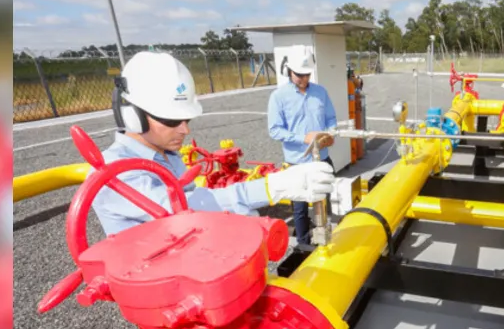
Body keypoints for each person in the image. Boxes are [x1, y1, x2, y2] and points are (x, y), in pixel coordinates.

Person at [91, 51, 334, 236]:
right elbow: (178, 208)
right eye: (173, 120)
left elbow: (198, 203)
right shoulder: (113, 171)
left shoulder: (167, 155)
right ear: (131, 114)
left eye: (186, 119)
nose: (185, 129)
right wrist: (270, 188)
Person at [267, 47, 338, 245]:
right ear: (288, 71)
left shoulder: (320, 92)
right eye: (299, 75)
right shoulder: (279, 97)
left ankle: (327, 239)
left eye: (306, 75)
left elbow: (331, 118)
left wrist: (331, 133)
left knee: (324, 201)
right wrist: (303, 138)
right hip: (297, 162)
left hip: (321, 158)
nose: (304, 79)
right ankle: (304, 246)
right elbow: (274, 130)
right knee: (299, 208)